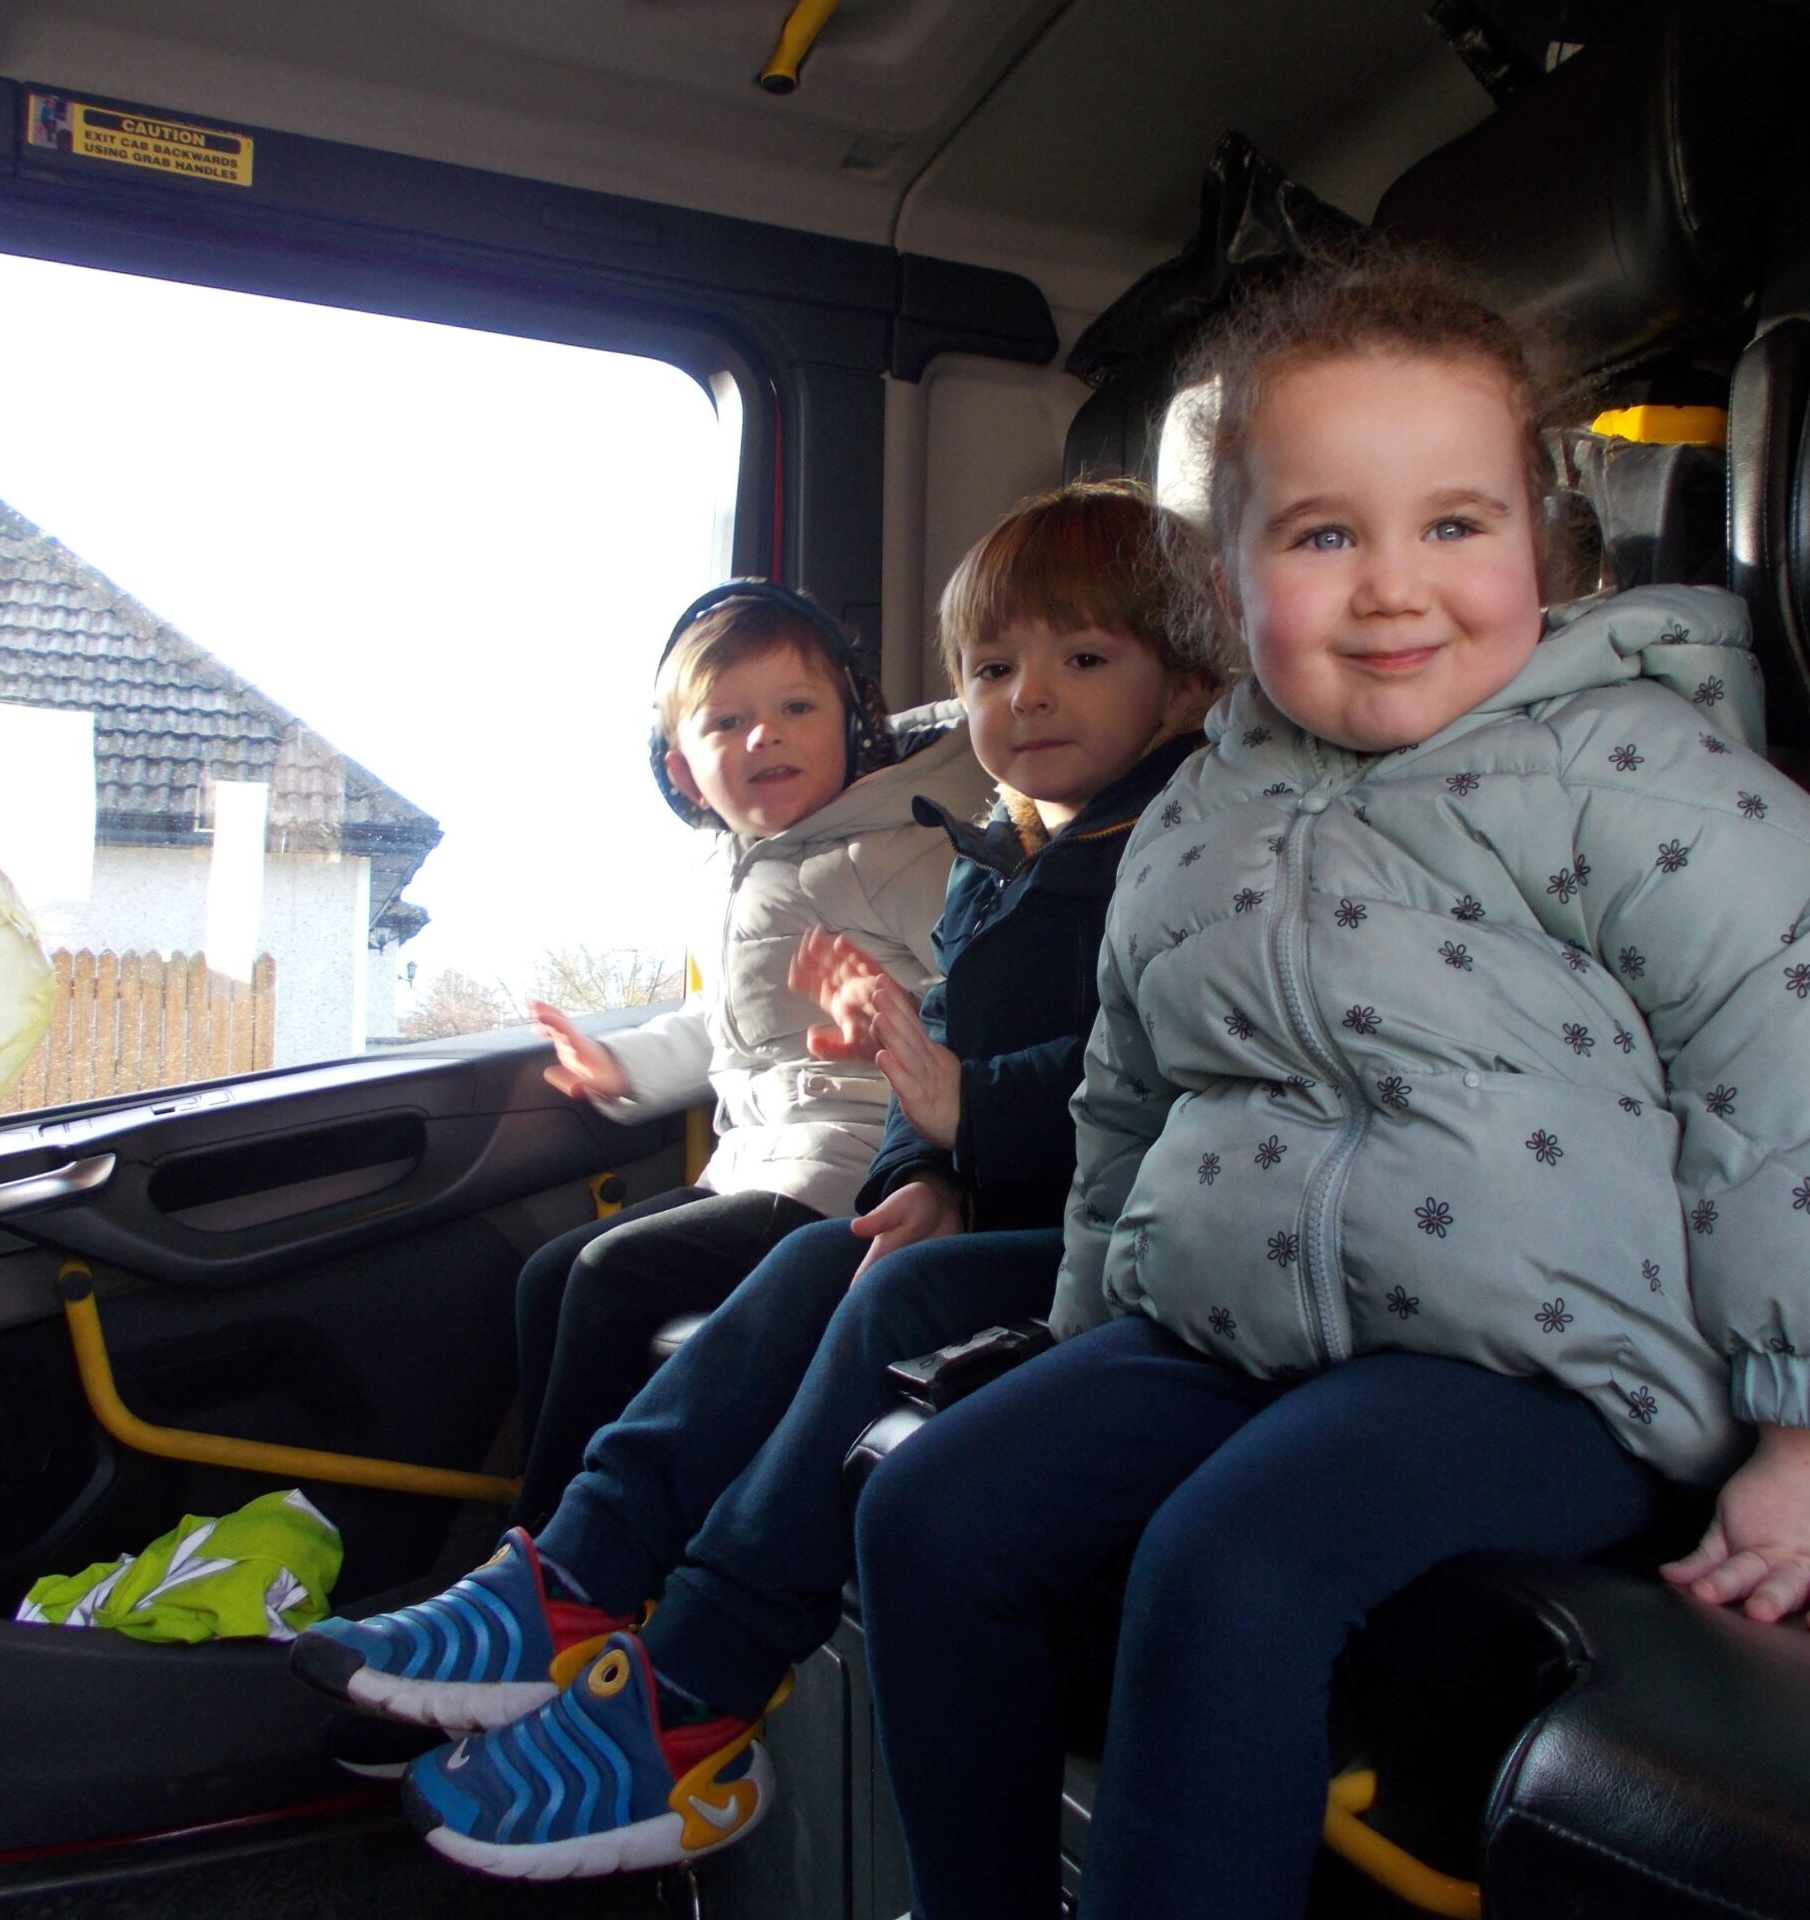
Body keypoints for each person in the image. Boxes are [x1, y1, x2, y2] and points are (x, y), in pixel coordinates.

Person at [854, 245, 1810, 1920]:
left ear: (1541, 539)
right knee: (933, 1508)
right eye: (1324, 536)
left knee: (1233, 1559)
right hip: (1231, 1329)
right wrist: (1088, 1329)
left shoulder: (1638, 776)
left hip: (1546, 1361)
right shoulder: (1199, 813)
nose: (1393, 587)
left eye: (1456, 525)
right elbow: (1129, 1104)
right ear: (1228, 582)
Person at [291, 483, 1223, 1882]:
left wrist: (960, 1115)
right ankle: (570, 1584)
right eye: (991, 669)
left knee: (828, 1289)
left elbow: (1148, 1068)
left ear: (1186, 682)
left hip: (1114, 1231)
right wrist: (931, 1164)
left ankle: (684, 1684)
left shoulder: (1180, 850)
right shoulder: (1005, 856)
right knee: (805, 1266)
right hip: (1003, 1201)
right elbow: (942, 1043)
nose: (1029, 696)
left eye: (1083, 658)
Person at [498, 581, 990, 1517]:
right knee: (547, 1274)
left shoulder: (896, 851)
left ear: (854, 729)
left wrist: (890, 1018)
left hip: (847, 1176)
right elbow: (724, 1028)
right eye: (727, 722)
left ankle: (550, 1551)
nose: (766, 735)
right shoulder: (735, 873)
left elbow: (981, 1003)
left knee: (608, 1276)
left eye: (797, 708)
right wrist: (623, 1069)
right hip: (752, 1169)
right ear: (683, 773)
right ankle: (545, 1526)